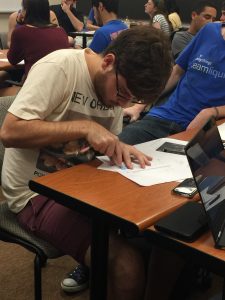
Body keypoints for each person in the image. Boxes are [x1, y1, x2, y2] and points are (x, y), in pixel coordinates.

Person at [1, 26, 172, 299]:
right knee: (126, 267)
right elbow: (9, 133)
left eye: (133, 99)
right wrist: (84, 128)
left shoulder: (115, 89)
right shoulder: (61, 67)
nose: (122, 103)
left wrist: (118, 146)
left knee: (163, 235)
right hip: (34, 191)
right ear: (108, 61)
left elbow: (102, 145)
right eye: (123, 92)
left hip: (81, 186)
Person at [119, 22, 225, 147]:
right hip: (166, 117)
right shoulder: (209, 31)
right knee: (119, 147)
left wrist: (213, 112)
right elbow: (176, 73)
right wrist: (139, 106)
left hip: (206, 129)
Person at [7, 0, 70, 82]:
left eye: (23, 8)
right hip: (61, 86)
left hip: (36, 88)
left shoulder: (21, 32)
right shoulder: (61, 31)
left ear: (27, 11)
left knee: (4, 78)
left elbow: (12, 60)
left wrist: (20, 23)